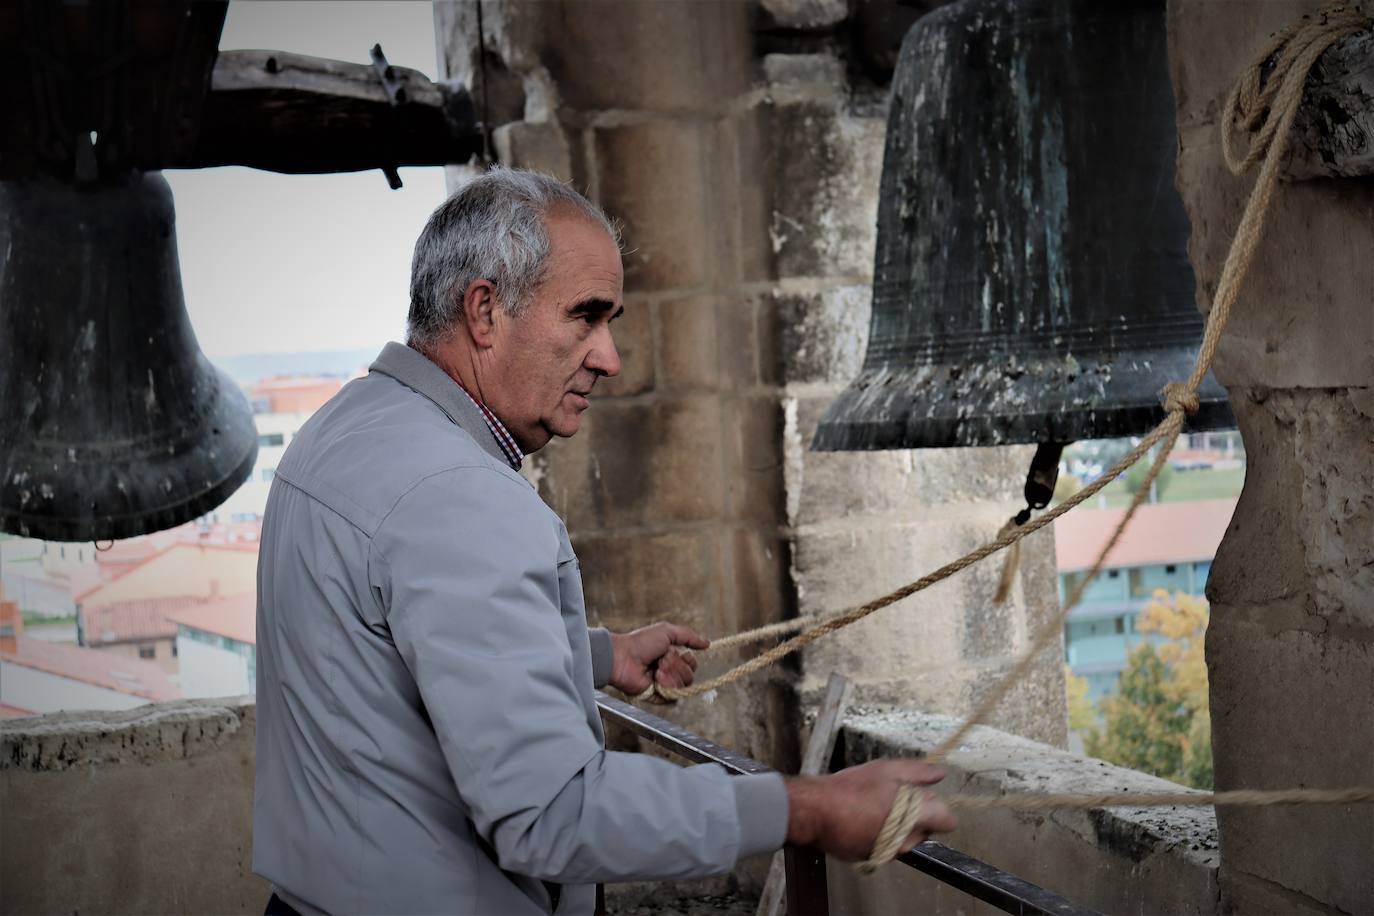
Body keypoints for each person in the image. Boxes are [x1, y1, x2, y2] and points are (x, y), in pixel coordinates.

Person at [252, 168, 954, 915]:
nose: (609, 357)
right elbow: (552, 815)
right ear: (485, 311)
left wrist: (594, 652)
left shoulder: (340, 433)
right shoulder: (461, 497)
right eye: (585, 317)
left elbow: (394, 643)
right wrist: (805, 810)